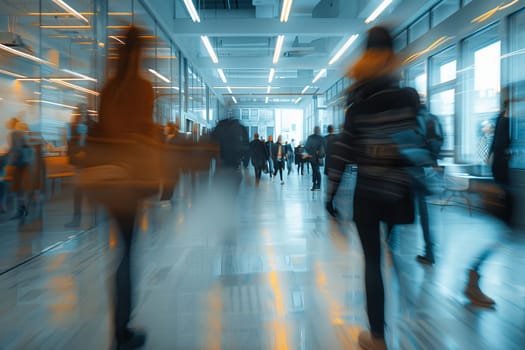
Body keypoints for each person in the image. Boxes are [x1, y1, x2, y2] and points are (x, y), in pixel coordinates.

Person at [334, 26, 421, 350]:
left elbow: (343, 152)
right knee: (394, 253)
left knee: (372, 261)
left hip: (367, 194)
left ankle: (378, 337)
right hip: (399, 191)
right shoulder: (409, 98)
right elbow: (418, 144)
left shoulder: (357, 102)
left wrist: (330, 196)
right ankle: (412, 315)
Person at [86, 26, 158, 349]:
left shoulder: (109, 88)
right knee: (128, 254)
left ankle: (119, 324)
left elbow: (104, 131)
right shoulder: (142, 88)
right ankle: (122, 329)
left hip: (109, 181)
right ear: (139, 52)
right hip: (131, 181)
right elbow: (142, 135)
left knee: (122, 253)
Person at [463, 94, 515, 308]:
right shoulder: (507, 122)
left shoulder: (503, 120)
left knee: (500, 233)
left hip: (504, 181)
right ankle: (474, 276)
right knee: (500, 233)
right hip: (505, 182)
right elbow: (499, 152)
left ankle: (474, 276)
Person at [65, 105, 89, 227]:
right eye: (81, 112)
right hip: (80, 164)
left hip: (87, 163)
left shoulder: (87, 126)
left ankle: (79, 218)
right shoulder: (73, 126)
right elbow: (70, 144)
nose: (82, 114)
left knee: (82, 190)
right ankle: (77, 218)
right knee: (78, 190)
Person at [6, 117, 34, 221]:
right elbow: (26, 145)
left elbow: (15, 148)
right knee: (21, 188)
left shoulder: (13, 133)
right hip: (26, 162)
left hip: (18, 163)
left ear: (12, 123)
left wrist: (10, 160)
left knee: (17, 187)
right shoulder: (22, 132)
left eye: (9, 122)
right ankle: (23, 208)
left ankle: (20, 210)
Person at [324, 125, 340, 217]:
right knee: (335, 185)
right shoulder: (337, 138)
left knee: (330, 184)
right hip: (336, 163)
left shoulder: (325, 138)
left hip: (328, 163)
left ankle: (329, 204)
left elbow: (324, 151)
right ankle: (331, 205)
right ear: (333, 129)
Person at [305, 126, 324, 191]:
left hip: (313, 157)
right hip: (317, 157)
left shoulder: (310, 137)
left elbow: (306, 147)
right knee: (316, 171)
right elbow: (323, 148)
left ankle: (315, 185)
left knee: (315, 171)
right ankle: (317, 185)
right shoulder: (321, 138)